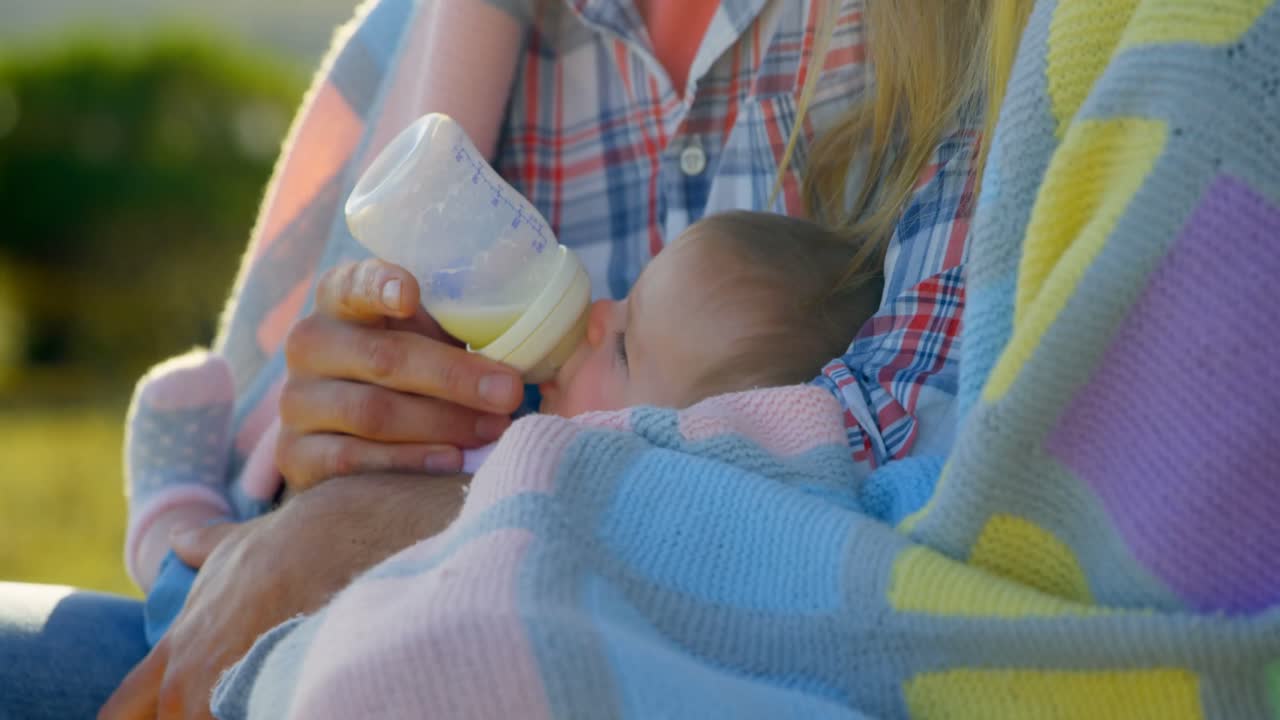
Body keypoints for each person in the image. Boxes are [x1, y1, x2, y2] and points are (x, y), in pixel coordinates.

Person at [3, 0, 982, 717]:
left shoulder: (971, 44)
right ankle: (172, 519)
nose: (595, 314)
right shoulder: (428, 45)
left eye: (627, 339)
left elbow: (896, 515)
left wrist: (370, 526)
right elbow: (269, 549)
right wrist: (324, 448)